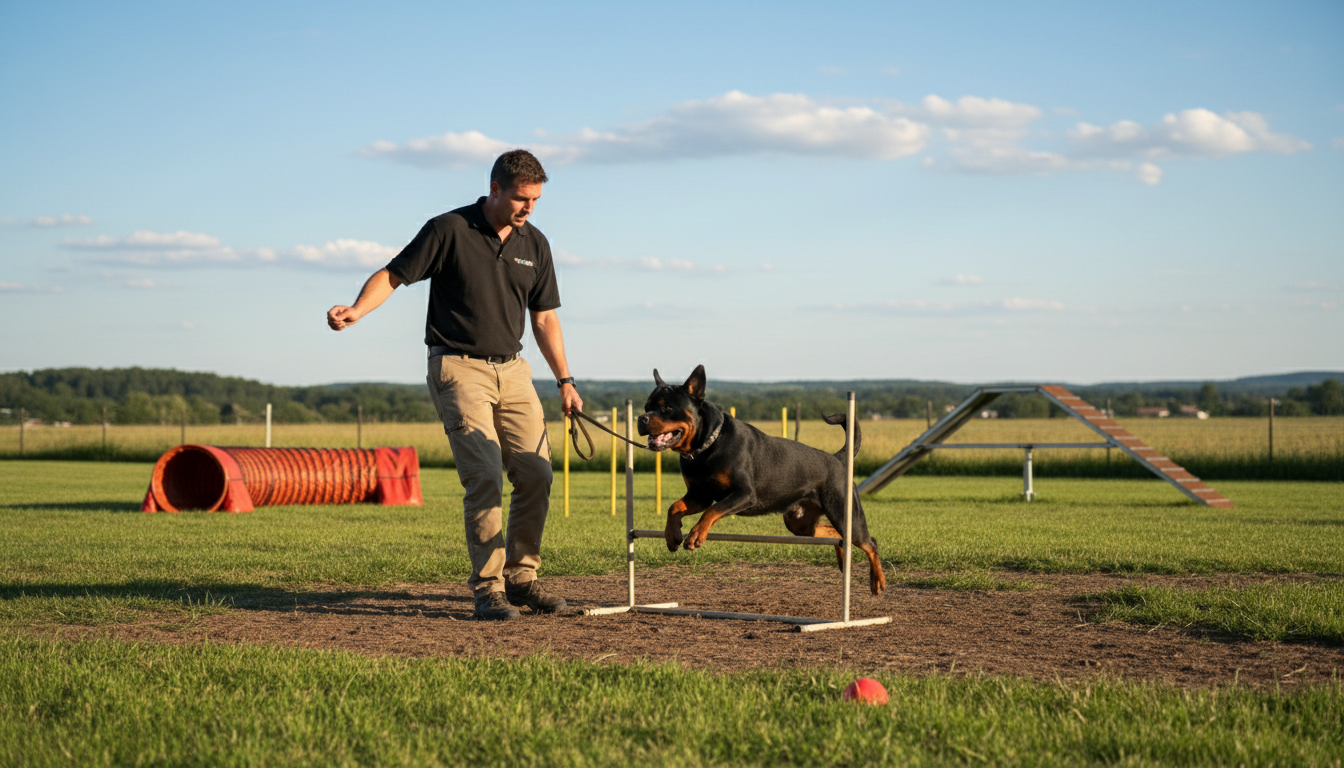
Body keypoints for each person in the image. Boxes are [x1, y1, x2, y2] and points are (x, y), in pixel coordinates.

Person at [326, 149, 582, 621]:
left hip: (515, 369)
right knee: (484, 476)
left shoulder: (536, 244)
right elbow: (393, 275)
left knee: (536, 473)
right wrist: (357, 310)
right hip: (458, 368)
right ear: (495, 189)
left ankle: (522, 579)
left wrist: (565, 380)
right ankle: (488, 589)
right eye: (522, 199)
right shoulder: (448, 229)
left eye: (536, 200)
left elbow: (544, 318)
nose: (529, 209)